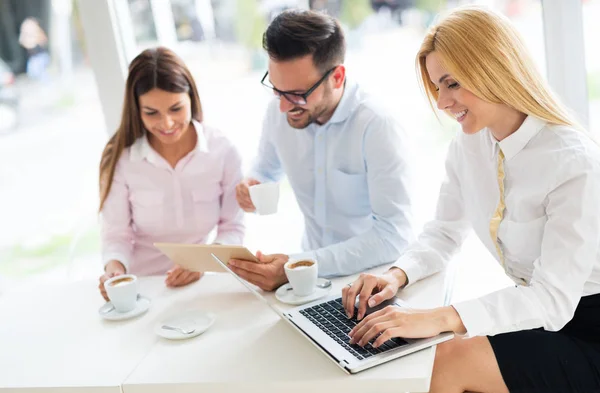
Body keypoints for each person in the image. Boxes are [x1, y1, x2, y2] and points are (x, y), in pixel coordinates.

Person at [343, 6, 600, 393]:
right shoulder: (468, 146)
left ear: (493, 68)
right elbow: (444, 233)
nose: (443, 102)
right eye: (437, 87)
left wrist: (439, 317)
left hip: (586, 328)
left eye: (452, 83)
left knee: (448, 359)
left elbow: (552, 299)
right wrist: (396, 275)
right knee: (422, 349)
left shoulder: (572, 161)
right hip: (536, 309)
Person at [231, 10, 414, 291]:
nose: (283, 106)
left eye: (297, 94)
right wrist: (251, 184)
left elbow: (393, 235)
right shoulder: (278, 110)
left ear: (337, 77)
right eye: (277, 89)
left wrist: (300, 264)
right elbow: (265, 169)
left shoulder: (377, 125)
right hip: (308, 279)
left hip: (371, 282)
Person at [98, 47, 244, 300]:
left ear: (191, 97)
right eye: (151, 113)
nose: (166, 124)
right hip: (142, 290)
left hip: (201, 285)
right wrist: (114, 270)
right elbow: (116, 235)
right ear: (136, 109)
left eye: (176, 109)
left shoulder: (222, 151)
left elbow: (232, 226)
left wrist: (203, 262)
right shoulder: (122, 159)